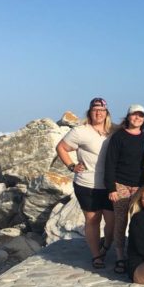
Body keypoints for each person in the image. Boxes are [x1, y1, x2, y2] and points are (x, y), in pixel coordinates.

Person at [56, 97, 114, 269]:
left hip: (110, 185)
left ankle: (105, 245)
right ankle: (96, 255)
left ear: (106, 113)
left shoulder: (113, 130)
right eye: (95, 110)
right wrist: (72, 165)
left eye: (102, 110)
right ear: (90, 112)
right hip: (87, 184)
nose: (98, 113)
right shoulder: (80, 131)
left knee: (112, 223)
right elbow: (61, 147)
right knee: (93, 221)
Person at [104, 104, 144, 274]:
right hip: (120, 185)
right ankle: (119, 256)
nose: (137, 118)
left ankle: (136, 254)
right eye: (134, 115)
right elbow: (110, 163)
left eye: (141, 116)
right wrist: (111, 189)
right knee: (121, 221)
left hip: (139, 186)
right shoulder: (119, 137)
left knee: (138, 221)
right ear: (128, 117)